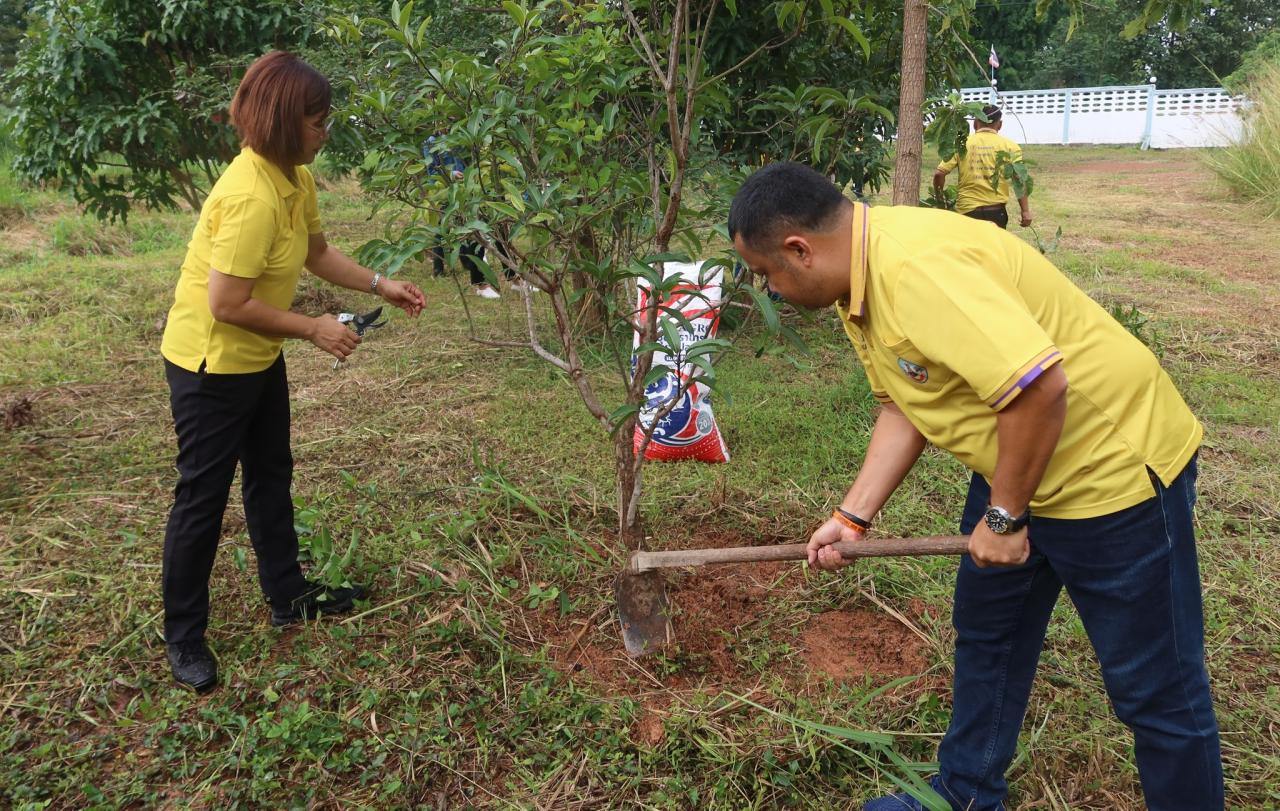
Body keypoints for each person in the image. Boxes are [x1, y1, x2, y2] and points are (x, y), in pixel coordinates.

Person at [729, 162, 1222, 811]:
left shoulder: (917, 271)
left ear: (800, 249)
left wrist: (1004, 518)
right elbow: (905, 404)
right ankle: (966, 792)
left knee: (1154, 689)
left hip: (1112, 473)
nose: (770, 288)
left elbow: (1042, 388)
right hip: (1017, 469)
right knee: (989, 634)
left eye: (766, 274)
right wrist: (853, 517)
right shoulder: (861, 277)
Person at [158, 51, 426, 693]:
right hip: (209, 365)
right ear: (283, 122)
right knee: (203, 497)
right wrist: (313, 329)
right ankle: (184, 636)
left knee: (271, 476)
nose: (325, 132)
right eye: (317, 120)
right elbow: (226, 304)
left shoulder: (292, 178)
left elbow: (316, 252)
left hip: (256, 357)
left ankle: (288, 595)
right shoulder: (249, 195)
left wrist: (380, 282)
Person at [422, 135, 528, 298]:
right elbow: (431, 171)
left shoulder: (463, 132)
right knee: (461, 233)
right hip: (452, 193)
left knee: (498, 228)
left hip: (477, 189)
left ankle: (513, 277)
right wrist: (452, 174)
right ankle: (479, 284)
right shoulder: (431, 142)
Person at [932, 105, 1032, 229]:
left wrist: (940, 200)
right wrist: (1025, 211)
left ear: (975, 123)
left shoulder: (962, 144)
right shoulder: (1011, 146)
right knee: (993, 248)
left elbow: (939, 174)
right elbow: (1019, 179)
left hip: (966, 213)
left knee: (968, 248)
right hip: (996, 213)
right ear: (1000, 124)